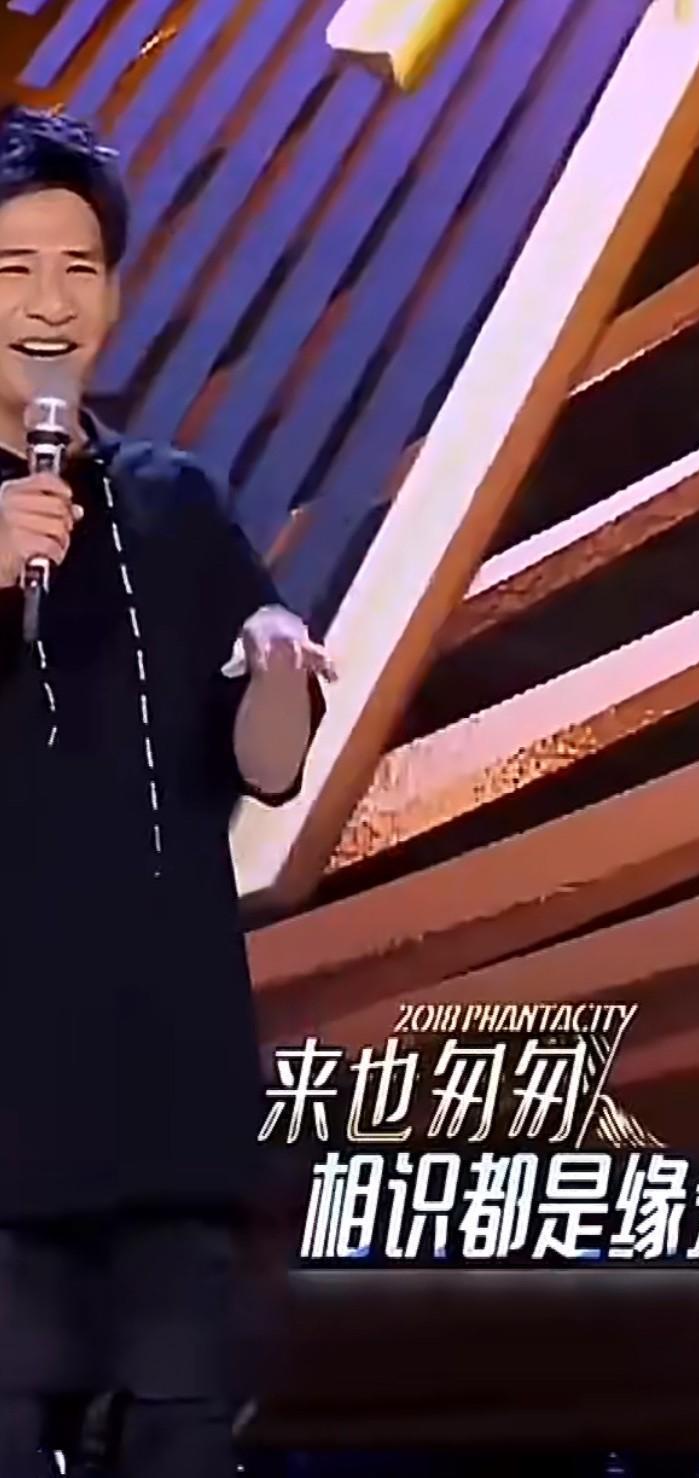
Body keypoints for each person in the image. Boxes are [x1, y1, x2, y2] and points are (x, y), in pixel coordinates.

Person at [0, 106, 334, 1476]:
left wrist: (277, 667)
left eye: (79, 267)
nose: (51, 303)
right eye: (14, 269)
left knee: (183, 1433)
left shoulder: (176, 501)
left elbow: (264, 762)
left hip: (167, 1097)